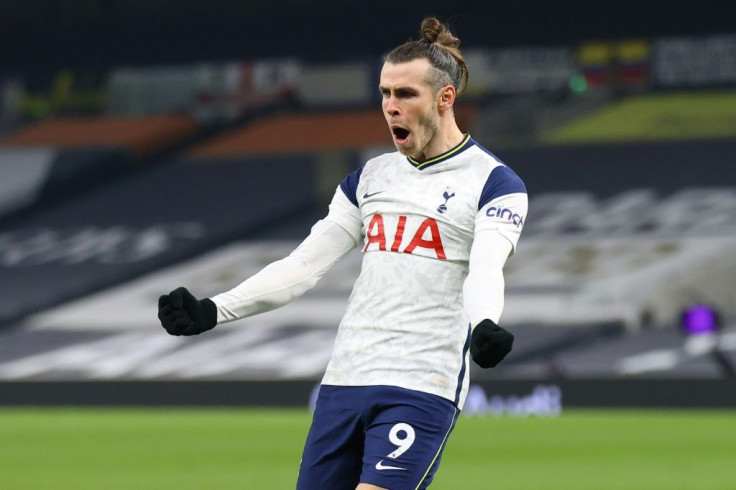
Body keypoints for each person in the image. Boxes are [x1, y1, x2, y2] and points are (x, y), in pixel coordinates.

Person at [158, 16, 527, 490]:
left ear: (445, 98)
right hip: (345, 380)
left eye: (405, 95)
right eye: (384, 93)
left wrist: (485, 325)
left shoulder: (495, 183)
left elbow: (486, 267)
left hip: (421, 383)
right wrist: (213, 309)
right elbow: (305, 265)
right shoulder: (370, 177)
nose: (390, 107)